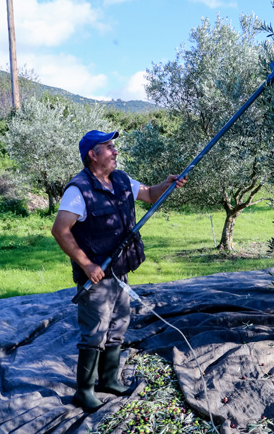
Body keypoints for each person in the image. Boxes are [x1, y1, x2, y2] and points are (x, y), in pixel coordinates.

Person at [51, 130, 186, 412]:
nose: (115, 151)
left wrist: (167, 184)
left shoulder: (121, 179)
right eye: (109, 147)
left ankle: (109, 380)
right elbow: (60, 230)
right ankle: (84, 390)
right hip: (97, 275)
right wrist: (86, 264)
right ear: (93, 154)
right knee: (95, 331)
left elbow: (148, 194)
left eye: (114, 146)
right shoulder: (79, 190)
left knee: (119, 324)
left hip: (120, 270)